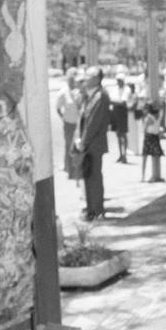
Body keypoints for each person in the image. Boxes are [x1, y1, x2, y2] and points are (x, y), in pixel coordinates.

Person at [74, 66, 110, 221]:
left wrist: (83, 141)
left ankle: (96, 210)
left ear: (96, 78)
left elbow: (93, 123)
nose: (85, 80)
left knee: (94, 177)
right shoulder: (91, 95)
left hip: (93, 144)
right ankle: (91, 209)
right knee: (88, 176)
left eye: (87, 77)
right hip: (89, 143)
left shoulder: (99, 96)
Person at [55, 68, 81, 172]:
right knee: (68, 145)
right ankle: (67, 166)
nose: (72, 81)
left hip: (78, 123)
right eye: (70, 79)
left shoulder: (78, 91)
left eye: (74, 79)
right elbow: (58, 108)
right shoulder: (63, 92)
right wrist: (63, 118)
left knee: (77, 145)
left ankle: (76, 166)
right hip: (68, 123)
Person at [109, 73, 132, 163]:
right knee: (117, 134)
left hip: (122, 112)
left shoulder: (127, 89)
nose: (118, 82)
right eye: (117, 80)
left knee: (123, 134)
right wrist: (115, 102)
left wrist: (114, 102)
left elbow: (123, 102)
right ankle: (120, 154)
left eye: (120, 80)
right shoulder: (114, 90)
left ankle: (124, 154)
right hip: (115, 112)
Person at [139, 104, 165, 183]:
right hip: (155, 137)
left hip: (148, 137)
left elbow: (144, 129)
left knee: (145, 157)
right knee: (156, 157)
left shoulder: (149, 117)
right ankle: (156, 175)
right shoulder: (158, 117)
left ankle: (144, 176)